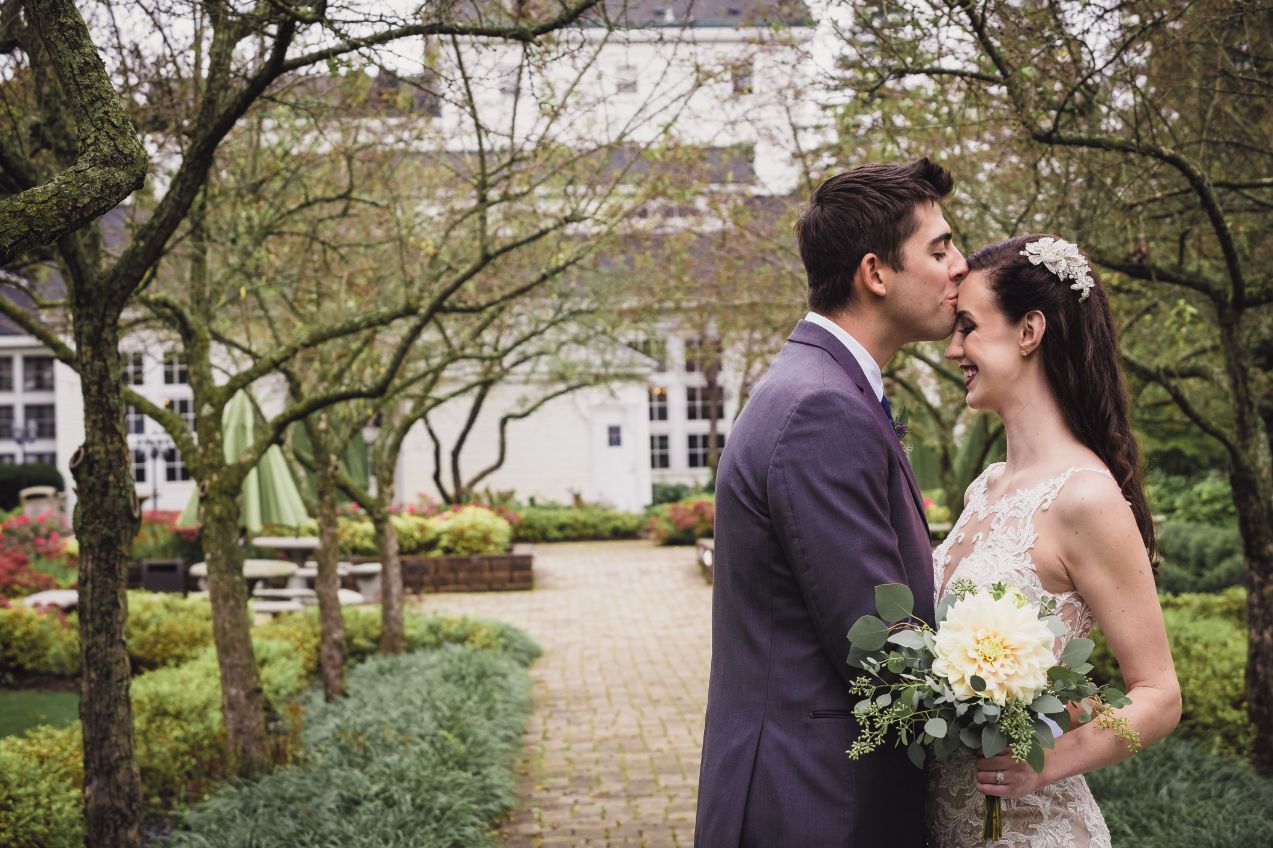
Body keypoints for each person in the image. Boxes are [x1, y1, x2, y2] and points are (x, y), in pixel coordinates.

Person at [694, 157, 968, 846]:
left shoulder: (819, 385)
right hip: (815, 803)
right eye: (938, 249)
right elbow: (877, 647)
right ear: (875, 274)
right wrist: (1011, 690)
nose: (958, 266)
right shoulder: (822, 407)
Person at [930, 235, 1182, 846]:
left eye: (967, 326)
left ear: (1029, 330)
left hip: (1029, 830)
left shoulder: (1086, 497)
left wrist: (1047, 760)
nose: (954, 348)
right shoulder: (985, 488)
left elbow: (1159, 696)